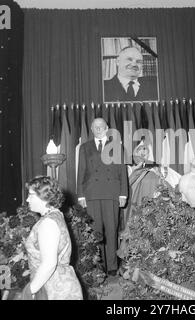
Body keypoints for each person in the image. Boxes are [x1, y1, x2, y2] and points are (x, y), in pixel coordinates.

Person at [77, 118, 128, 276]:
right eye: (95, 127)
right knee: (96, 231)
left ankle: (112, 266)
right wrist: (80, 196)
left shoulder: (117, 146)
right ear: (92, 130)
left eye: (101, 126)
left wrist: (123, 193)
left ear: (107, 129)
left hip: (112, 193)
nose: (98, 129)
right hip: (92, 193)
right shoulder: (84, 147)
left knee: (112, 230)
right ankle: (99, 268)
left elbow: (122, 171)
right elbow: (81, 172)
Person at [24, 176, 83, 300]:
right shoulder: (55, 215)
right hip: (55, 283)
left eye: (31, 195)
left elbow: (49, 263)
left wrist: (30, 290)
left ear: (44, 197)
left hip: (54, 288)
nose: (27, 199)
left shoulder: (48, 222)